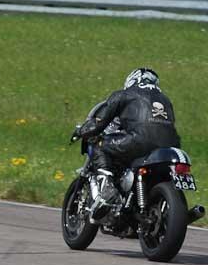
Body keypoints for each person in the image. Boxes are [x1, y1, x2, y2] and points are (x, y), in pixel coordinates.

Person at [72, 68, 180, 218]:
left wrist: (81, 131)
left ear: (132, 80)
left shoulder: (124, 94)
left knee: (98, 144)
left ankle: (107, 190)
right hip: (171, 147)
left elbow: (98, 123)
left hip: (139, 141)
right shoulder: (166, 100)